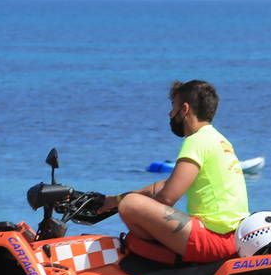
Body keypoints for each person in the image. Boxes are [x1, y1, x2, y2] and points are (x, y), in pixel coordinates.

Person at [100, 80, 249, 263]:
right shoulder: (218, 140)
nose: (170, 114)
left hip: (212, 239)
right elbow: (164, 186)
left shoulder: (196, 141)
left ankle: (164, 259)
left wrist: (127, 206)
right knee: (129, 202)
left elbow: (167, 198)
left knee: (129, 206)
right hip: (233, 237)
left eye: (173, 107)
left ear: (184, 109)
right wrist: (111, 201)